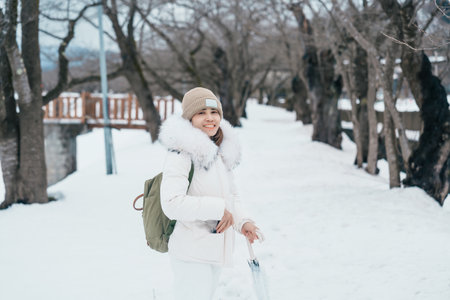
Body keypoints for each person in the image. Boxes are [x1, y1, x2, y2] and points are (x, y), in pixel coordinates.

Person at [159, 87, 260, 300]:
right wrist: (218, 209)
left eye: (214, 112)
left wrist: (243, 223)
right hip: (191, 252)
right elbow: (171, 203)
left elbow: (231, 196)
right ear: (189, 118)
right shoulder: (181, 153)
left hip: (213, 250)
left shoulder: (218, 152)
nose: (209, 118)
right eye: (201, 113)